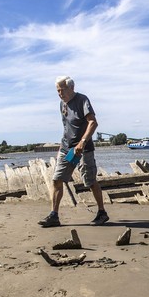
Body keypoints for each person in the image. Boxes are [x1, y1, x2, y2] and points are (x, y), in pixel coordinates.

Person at [38, 76, 109, 228]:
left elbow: (93, 122)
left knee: (89, 181)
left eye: (62, 90)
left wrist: (82, 142)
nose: (60, 93)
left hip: (83, 149)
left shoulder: (83, 100)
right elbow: (67, 126)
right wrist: (61, 146)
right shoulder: (62, 103)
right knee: (57, 180)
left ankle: (102, 212)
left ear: (71, 88)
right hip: (66, 148)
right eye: (57, 90)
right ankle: (54, 215)